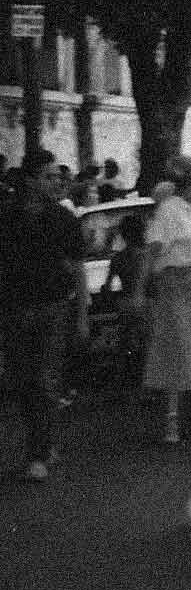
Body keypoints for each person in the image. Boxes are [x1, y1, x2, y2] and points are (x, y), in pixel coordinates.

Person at [0, 149, 87, 481]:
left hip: (52, 308)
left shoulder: (64, 219)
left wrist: (81, 314)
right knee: (23, 381)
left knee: (44, 380)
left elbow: (77, 269)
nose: (56, 183)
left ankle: (39, 452)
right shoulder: (8, 217)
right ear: (31, 180)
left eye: (58, 176)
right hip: (14, 308)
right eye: (49, 177)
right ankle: (41, 445)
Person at [136, 157, 191, 444]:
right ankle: (172, 421)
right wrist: (139, 291)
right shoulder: (168, 210)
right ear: (187, 179)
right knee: (179, 349)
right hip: (176, 285)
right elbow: (153, 251)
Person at [101, 214, 150, 386]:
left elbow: (107, 287)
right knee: (147, 345)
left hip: (124, 305)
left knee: (123, 344)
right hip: (145, 305)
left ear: (123, 234)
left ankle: (121, 379)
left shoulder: (118, 258)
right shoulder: (147, 257)